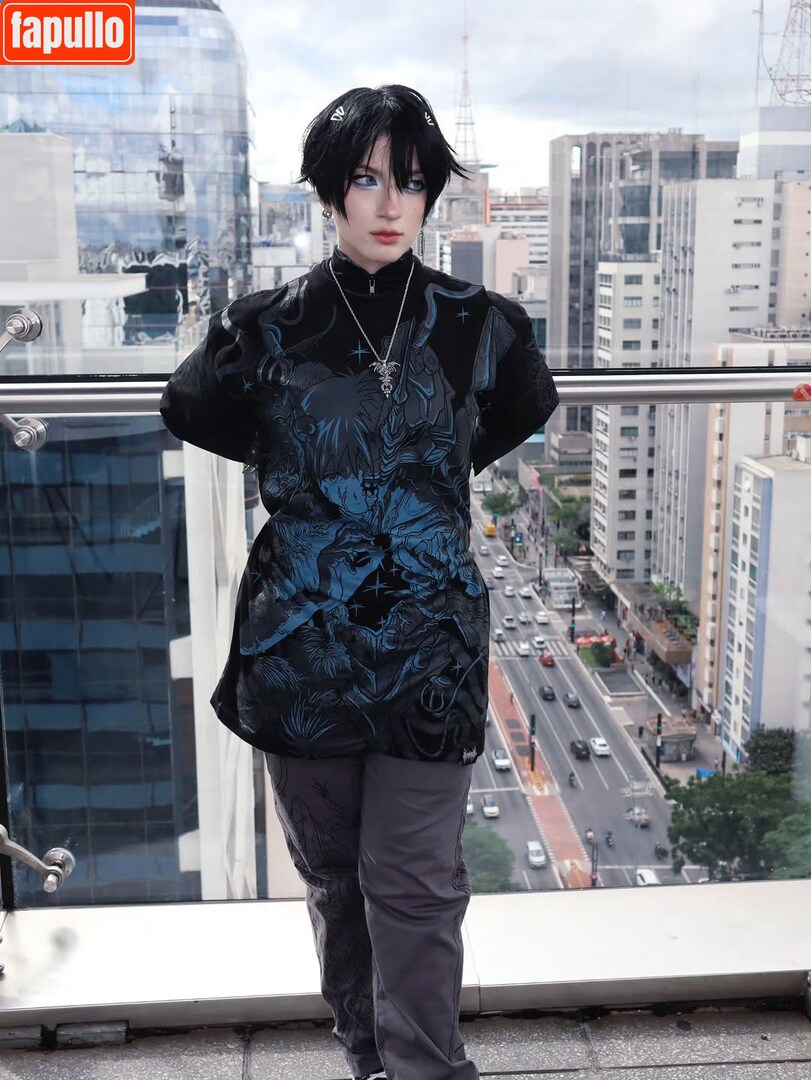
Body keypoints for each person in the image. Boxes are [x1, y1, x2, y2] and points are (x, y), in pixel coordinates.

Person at [160, 84, 559, 1080]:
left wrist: (419, 487)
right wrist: (316, 480)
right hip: (301, 648)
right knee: (336, 882)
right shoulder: (261, 328)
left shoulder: (484, 325)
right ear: (328, 190)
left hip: (430, 647)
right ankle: (367, 1059)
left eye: (411, 184)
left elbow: (515, 412)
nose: (389, 205)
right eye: (368, 179)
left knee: (416, 883)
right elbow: (190, 409)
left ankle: (426, 1070)